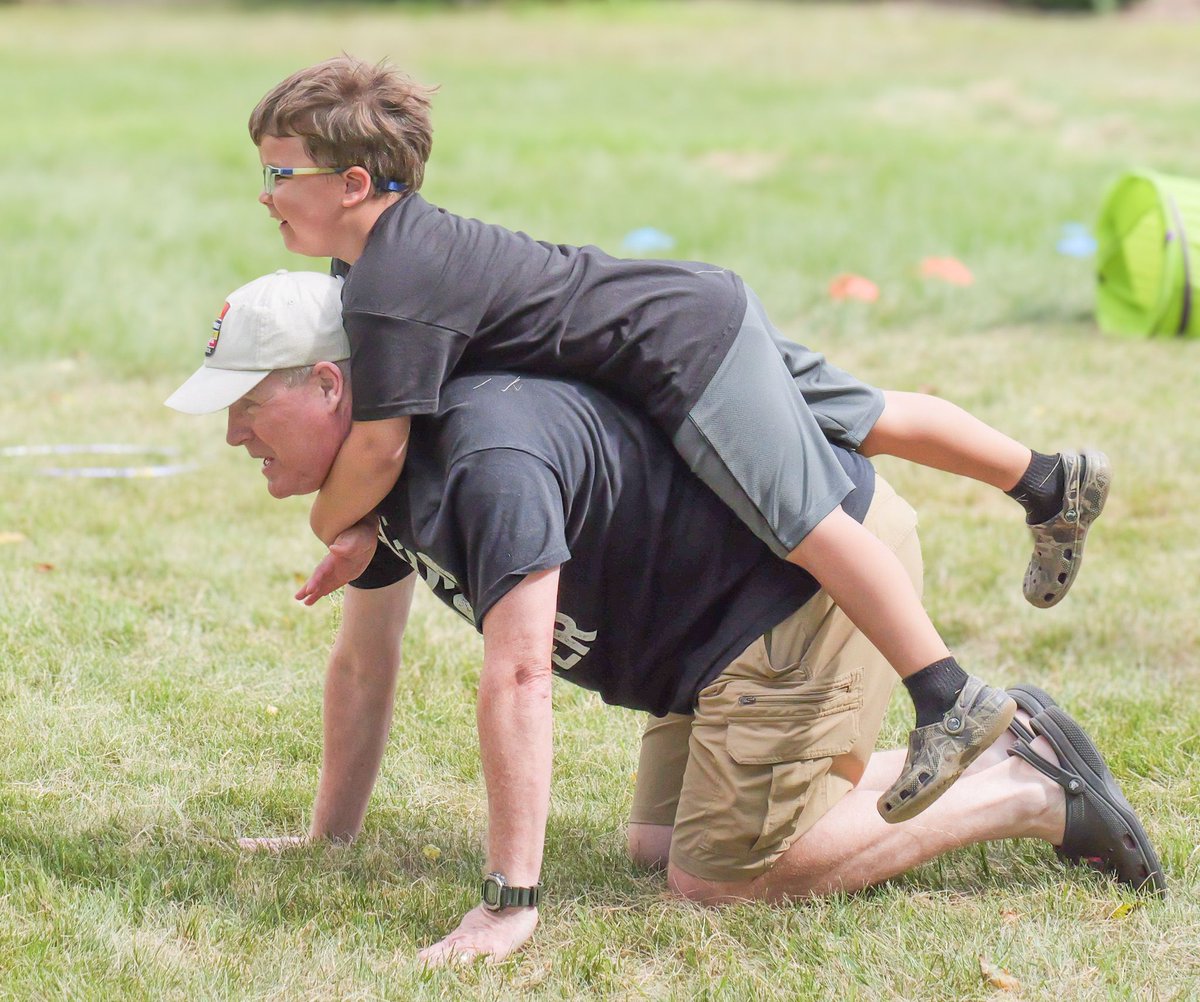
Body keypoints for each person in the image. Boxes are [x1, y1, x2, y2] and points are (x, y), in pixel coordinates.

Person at [165, 271, 1162, 967]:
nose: (232, 433)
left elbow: (516, 679)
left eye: (248, 404)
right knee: (657, 845)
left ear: (331, 383)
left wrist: (511, 905)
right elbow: (363, 667)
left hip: (796, 598)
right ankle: (1009, 736)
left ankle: (1026, 791)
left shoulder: (483, 459)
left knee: (720, 880)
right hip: (706, 641)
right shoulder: (376, 475)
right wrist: (326, 839)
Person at [239, 56, 1111, 824]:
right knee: (866, 416)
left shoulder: (388, 280)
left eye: (280, 172)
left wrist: (334, 524)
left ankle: (947, 695)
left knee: (803, 522)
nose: (266, 193)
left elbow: (382, 448)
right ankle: (1042, 479)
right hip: (688, 307)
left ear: (352, 184)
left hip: (676, 355)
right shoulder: (372, 262)